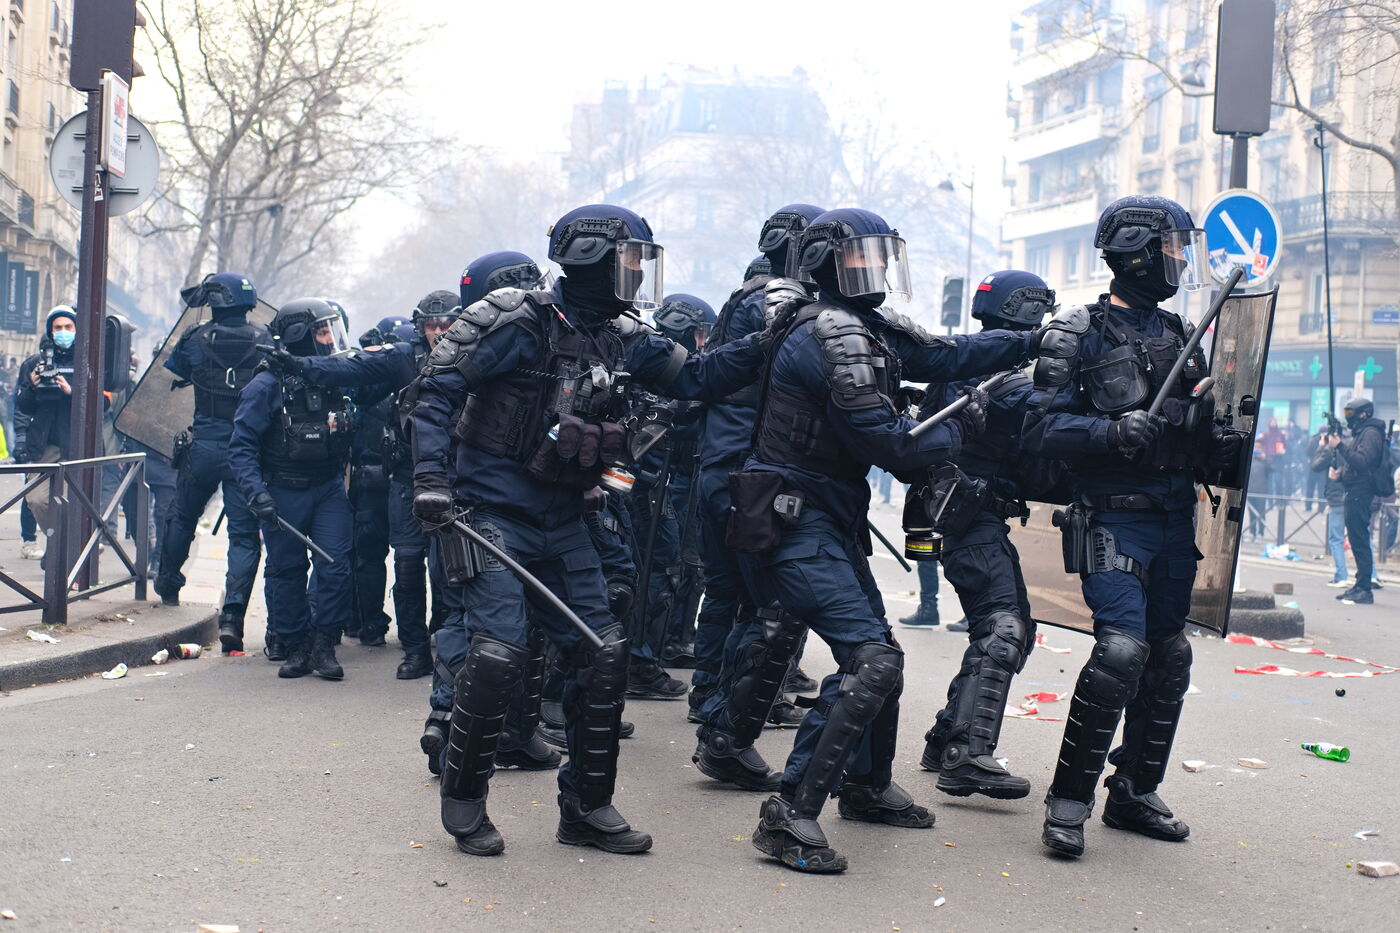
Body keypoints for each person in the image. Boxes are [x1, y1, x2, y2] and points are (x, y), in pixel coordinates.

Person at [407, 204, 774, 858]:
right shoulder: (513, 319)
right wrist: (431, 481)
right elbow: (434, 393)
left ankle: (586, 807)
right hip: (489, 514)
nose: (636, 273)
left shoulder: (625, 336)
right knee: (497, 652)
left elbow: (697, 377)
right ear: (591, 259)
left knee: (603, 652)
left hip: (565, 515)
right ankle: (464, 798)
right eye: (628, 260)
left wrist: (771, 338)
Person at [723, 208, 1040, 875]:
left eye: (879, 255)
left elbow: (949, 355)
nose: (874, 269)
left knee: (878, 651)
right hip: (794, 521)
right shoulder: (828, 332)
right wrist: (961, 425)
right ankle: (787, 813)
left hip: (828, 518)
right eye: (859, 257)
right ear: (825, 263)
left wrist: (1031, 340)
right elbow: (895, 447)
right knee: (870, 660)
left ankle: (865, 786)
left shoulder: (863, 326)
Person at [1022, 195, 1241, 859]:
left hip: (1175, 520)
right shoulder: (1077, 331)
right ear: (1137, 252)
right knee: (1121, 651)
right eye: (1171, 248)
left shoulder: (1182, 333)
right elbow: (1036, 430)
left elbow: (1200, 439)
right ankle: (1068, 801)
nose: (1180, 260)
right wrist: (1110, 431)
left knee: (1169, 654)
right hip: (1113, 517)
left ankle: (1134, 791)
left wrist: (1219, 436)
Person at [916, 269, 1059, 799]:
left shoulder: (971, 359)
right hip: (970, 520)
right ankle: (966, 755)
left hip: (972, 518)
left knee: (1010, 628)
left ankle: (943, 740)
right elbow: (1037, 417)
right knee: (1003, 629)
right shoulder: (998, 372)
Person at [689, 205, 826, 743]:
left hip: (722, 467)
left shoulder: (745, 297)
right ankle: (733, 706)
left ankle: (709, 694)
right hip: (749, 473)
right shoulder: (779, 302)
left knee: (726, 591)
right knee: (762, 600)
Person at [229, 299, 364, 679]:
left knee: (336, 565)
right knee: (286, 570)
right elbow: (241, 446)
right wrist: (256, 493)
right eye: (322, 332)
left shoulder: (336, 376)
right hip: (283, 490)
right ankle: (296, 644)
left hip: (328, 488)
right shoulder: (265, 386)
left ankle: (324, 643)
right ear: (300, 336)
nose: (330, 340)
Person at [152, 274, 269, 654]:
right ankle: (232, 617)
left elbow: (177, 371)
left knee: (182, 516)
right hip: (245, 451)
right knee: (244, 535)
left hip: (203, 447)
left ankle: (169, 584)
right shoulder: (266, 339)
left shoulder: (194, 338)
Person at [345, 313, 412, 653]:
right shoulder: (419, 382)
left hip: (370, 484)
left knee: (369, 557)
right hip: (407, 483)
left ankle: (370, 624)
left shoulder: (366, 388)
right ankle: (422, 628)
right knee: (410, 559)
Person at [16, 307, 83, 540]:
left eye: (68, 327)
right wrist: (32, 387)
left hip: (75, 443)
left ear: (76, 329)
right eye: (58, 328)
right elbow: (23, 407)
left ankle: (64, 547)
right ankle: (61, 540)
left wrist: (71, 392)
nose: (63, 332)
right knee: (35, 499)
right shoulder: (34, 363)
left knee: (72, 501)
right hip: (43, 443)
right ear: (50, 331)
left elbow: (101, 405)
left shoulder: (85, 361)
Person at [1331, 397, 1387, 605]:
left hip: (1361, 493)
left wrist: (1340, 446)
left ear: (1364, 413)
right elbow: (1356, 466)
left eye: (1351, 413)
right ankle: (1359, 585)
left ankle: (1364, 589)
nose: (1348, 418)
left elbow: (1362, 462)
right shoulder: (1362, 432)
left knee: (1360, 540)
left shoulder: (1371, 433)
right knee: (1356, 540)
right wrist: (1341, 475)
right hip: (1355, 490)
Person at [1311, 424, 1350, 587]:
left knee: (1336, 538)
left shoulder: (1331, 449)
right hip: (1354, 496)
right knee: (1362, 536)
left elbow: (1315, 465)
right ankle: (1371, 576)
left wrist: (1322, 446)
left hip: (1336, 497)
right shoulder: (1354, 444)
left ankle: (1341, 576)